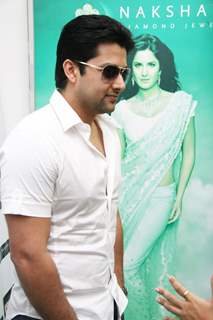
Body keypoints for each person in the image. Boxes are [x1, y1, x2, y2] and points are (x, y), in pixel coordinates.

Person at [0, 14, 134, 320]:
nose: (121, 83)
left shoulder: (111, 133)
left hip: (108, 305)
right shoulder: (34, 138)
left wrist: (118, 285)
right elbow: (27, 255)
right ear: (71, 70)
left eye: (123, 72)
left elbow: (109, 212)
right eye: (109, 72)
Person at [112, 34, 196, 319]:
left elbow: (189, 153)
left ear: (161, 68)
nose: (145, 71)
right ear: (131, 70)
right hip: (128, 198)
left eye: (151, 64)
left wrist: (180, 196)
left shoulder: (181, 105)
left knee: (131, 263)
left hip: (162, 197)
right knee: (127, 267)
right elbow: (119, 161)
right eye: (138, 65)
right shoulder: (122, 110)